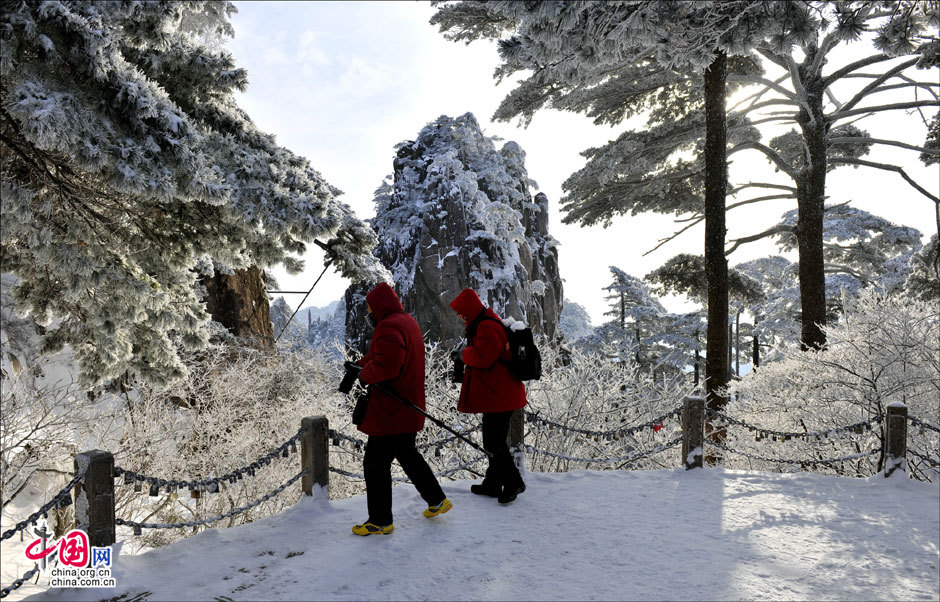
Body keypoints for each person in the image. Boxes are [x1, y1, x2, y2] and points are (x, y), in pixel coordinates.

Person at [351, 282, 452, 536]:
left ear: (378, 306)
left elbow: (387, 367)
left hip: (391, 411)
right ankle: (437, 499)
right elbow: (385, 354)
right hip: (408, 406)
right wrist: (361, 363)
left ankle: (380, 520)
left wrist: (364, 373)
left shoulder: (388, 326)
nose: (369, 313)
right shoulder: (406, 321)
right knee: (408, 454)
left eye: (370, 307)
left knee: (374, 464)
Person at [449, 288, 527, 504]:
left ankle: (514, 482)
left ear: (468, 309)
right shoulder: (483, 323)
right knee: (494, 440)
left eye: (459, 311)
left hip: (501, 395)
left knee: (494, 442)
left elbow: (483, 358)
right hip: (499, 394)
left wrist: (463, 354)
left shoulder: (486, 326)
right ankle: (492, 483)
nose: (458, 316)